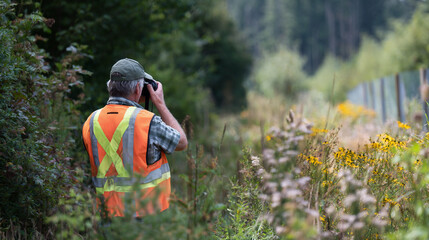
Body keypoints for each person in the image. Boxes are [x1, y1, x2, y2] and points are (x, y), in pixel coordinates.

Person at [82, 58, 188, 219]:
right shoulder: (147, 121)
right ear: (139, 88)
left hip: (106, 216)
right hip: (145, 217)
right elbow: (181, 142)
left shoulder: (91, 121)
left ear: (110, 86)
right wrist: (159, 103)